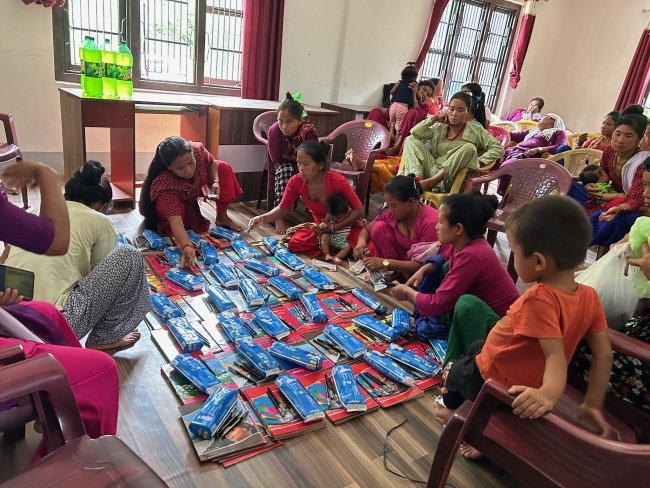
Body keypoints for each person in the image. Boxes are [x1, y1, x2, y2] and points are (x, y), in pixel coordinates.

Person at [433, 195, 613, 459]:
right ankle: (471, 414)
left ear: (538, 262)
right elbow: (604, 354)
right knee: (474, 347)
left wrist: (549, 395)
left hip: (496, 375)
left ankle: (460, 419)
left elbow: (555, 355)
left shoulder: (540, 298)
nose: (513, 258)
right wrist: (593, 402)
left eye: (515, 253)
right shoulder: (588, 296)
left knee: (454, 373)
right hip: (508, 361)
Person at [0, 161, 118, 462]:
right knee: (103, 367)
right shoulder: (98, 220)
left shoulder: (27, 212)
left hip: (12, 307)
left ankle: (58, 402)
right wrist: (47, 174)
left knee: (44, 311)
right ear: (102, 204)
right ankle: (74, 465)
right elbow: (55, 241)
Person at [5, 161, 150, 351]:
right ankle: (103, 338)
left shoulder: (33, 212)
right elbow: (102, 276)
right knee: (128, 255)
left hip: (8, 319)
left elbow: (5, 257)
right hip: (50, 326)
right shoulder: (99, 219)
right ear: (102, 205)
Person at [389, 192, 519, 361]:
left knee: (460, 303)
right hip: (488, 314)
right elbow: (445, 256)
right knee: (439, 266)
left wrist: (407, 292)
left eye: (440, 222)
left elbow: (437, 304)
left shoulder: (472, 255)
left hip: (500, 327)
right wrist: (423, 269)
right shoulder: (467, 243)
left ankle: (468, 357)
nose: (436, 226)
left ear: (458, 228)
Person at [140, 136, 243, 269]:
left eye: (191, 162)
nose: (188, 170)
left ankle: (222, 217)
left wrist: (214, 181)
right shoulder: (164, 184)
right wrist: (187, 245)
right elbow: (176, 222)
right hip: (171, 204)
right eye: (180, 168)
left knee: (222, 166)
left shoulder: (197, 151)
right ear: (169, 167)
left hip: (192, 189)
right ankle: (163, 223)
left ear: (193, 154)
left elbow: (211, 161)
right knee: (183, 231)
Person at [248, 141, 365, 256]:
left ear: (320, 165)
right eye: (298, 163)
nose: (301, 168)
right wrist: (262, 218)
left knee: (365, 249)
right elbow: (282, 209)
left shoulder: (337, 181)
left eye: (306, 164)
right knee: (295, 243)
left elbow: (359, 210)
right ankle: (336, 248)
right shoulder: (296, 181)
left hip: (346, 226)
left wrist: (334, 227)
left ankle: (336, 247)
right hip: (321, 228)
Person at [398, 92, 505, 193]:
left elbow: (498, 148)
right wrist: (434, 118)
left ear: (468, 113)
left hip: (454, 178)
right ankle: (417, 178)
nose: (454, 114)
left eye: (460, 110)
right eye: (451, 109)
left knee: (469, 148)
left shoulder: (476, 131)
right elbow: (415, 132)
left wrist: (479, 161)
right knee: (410, 139)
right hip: (431, 169)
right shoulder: (440, 127)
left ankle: (430, 182)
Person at [584, 106, 649, 248]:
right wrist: (590, 185)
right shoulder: (609, 152)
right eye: (617, 134)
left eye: (628, 136)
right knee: (570, 191)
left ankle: (578, 246)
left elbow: (637, 199)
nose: (620, 140)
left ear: (639, 138)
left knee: (617, 220)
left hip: (631, 205)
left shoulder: (642, 162)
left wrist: (619, 207)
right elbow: (601, 176)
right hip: (610, 196)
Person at [352, 175, 440, 278]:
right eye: (388, 206)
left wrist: (385, 262)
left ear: (410, 201)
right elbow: (367, 230)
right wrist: (361, 243)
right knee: (378, 228)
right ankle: (396, 273)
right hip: (400, 263)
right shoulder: (392, 213)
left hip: (422, 274)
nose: (390, 210)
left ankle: (403, 279)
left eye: (393, 206)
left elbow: (424, 266)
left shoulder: (430, 223)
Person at [266, 92, 319, 234]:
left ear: (299, 120)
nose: (284, 126)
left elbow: (314, 157)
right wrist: (293, 163)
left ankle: (314, 216)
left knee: (312, 176)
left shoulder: (308, 132)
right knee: (285, 171)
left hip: (307, 165)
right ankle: (279, 216)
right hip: (284, 164)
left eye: (289, 121)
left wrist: (301, 167)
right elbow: (276, 158)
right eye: (280, 120)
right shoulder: (274, 130)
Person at [388, 64, 419, 144]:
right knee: (399, 127)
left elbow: (391, 92)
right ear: (415, 77)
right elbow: (419, 96)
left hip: (393, 105)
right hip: (403, 107)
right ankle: (396, 143)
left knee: (393, 122)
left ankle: (390, 134)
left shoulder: (399, 82)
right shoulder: (414, 84)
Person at [321, 193, 356, 264]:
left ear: (345, 213)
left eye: (339, 218)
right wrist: (322, 225)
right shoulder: (329, 213)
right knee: (325, 236)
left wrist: (360, 223)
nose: (335, 220)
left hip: (342, 240)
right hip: (331, 236)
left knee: (347, 248)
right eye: (332, 218)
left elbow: (353, 222)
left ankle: (336, 257)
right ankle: (326, 254)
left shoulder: (348, 215)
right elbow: (324, 221)